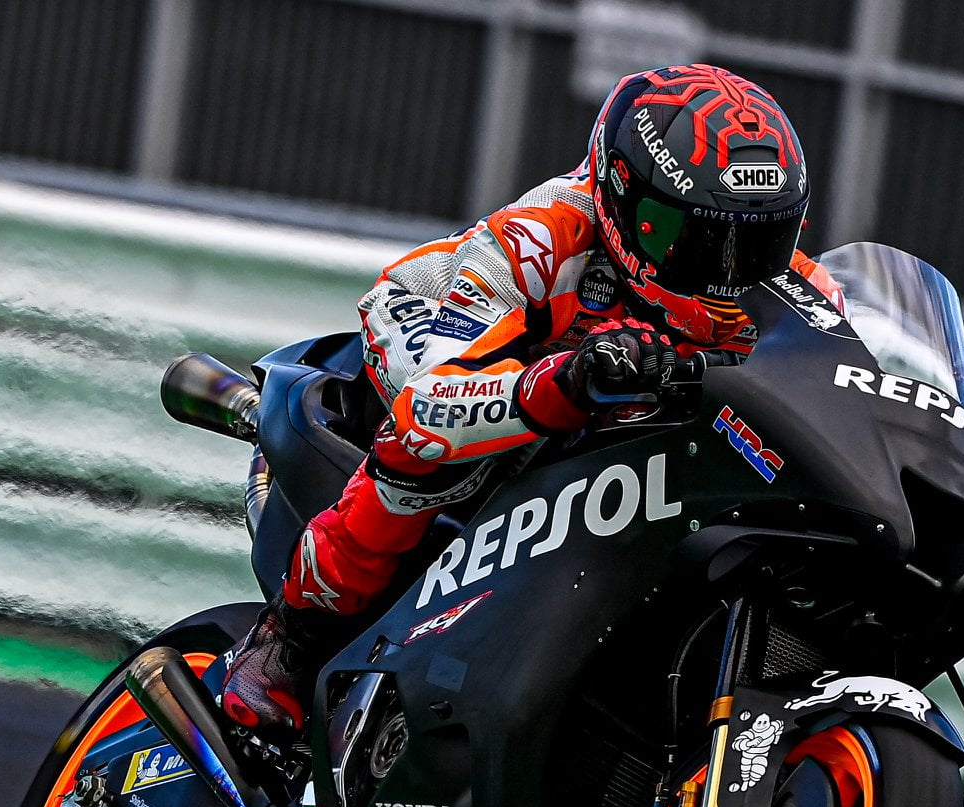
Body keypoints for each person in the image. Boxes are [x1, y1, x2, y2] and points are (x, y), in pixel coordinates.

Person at [221, 64, 842, 733]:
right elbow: (432, 401)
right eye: (696, 238)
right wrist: (565, 381)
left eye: (759, 245)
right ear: (622, 195)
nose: (730, 273)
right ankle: (291, 638)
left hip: (619, 431)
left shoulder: (803, 291)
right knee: (432, 448)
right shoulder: (543, 236)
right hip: (443, 337)